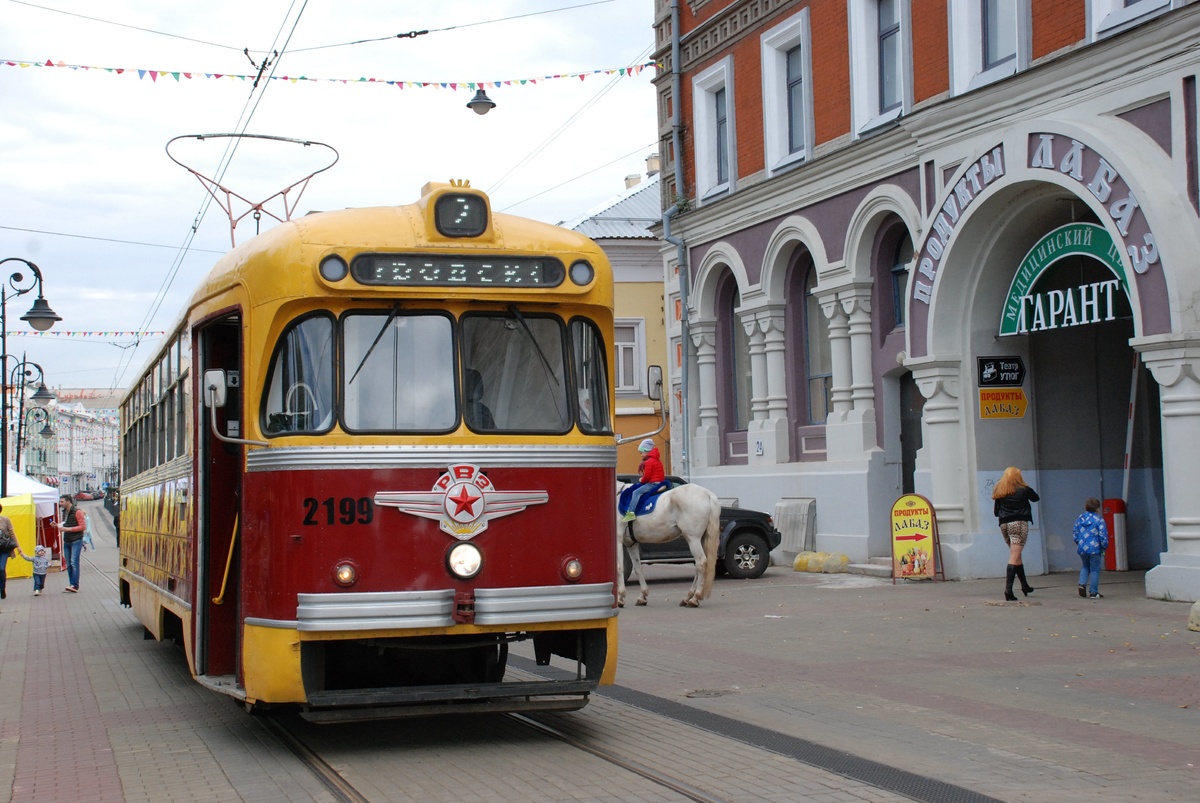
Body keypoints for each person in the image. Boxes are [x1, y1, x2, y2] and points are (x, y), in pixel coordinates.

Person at [991, 466, 1039, 601]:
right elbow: (1036, 498)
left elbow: (996, 512)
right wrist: (1026, 488)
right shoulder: (1024, 489)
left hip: (1004, 524)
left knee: (1016, 554)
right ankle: (1008, 590)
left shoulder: (1000, 490)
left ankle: (1025, 585)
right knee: (1014, 555)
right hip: (1019, 523)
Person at [621, 439, 666, 522]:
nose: (641, 455)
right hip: (659, 482)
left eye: (641, 453)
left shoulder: (648, 462)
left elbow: (647, 476)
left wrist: (641, 480)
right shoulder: (656, 460)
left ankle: (631, 513)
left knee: (636, 492)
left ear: (646, 451)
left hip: (653, 483)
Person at [1073, 498, 1109, 599]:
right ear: (1098, 509)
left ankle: (1082, 584)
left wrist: (1078, 543)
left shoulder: (1080, 518)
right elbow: (1103, 536)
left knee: (1085, 566)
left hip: (1082, 548)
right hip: (1095, 548)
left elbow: (1075, 532)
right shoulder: (1099, 520)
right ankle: (1093, 592)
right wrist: (1104, 546)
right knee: (1095, 569)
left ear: (1085, 507)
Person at [54, 494, 87, 592]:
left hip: (76, 540)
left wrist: (67, 529)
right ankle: (71, 584)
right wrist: (57, 526)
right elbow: (65, 524)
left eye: (62, 502)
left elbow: (82, 527)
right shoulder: (65, 512)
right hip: (67, 540)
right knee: (68, 563)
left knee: (74, 562)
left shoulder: (78, 512)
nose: (60, 504)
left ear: (68, 501)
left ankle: (74, 585)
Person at [0, 503, 16, 600]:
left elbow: (12, 533)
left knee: (1, 568)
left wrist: (18, 547)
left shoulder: (5, 520)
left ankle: (2, 588)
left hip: (4, 549)